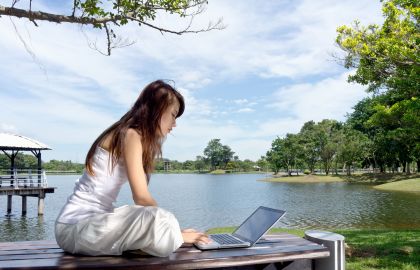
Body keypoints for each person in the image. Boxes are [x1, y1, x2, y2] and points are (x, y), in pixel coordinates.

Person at [55, 80, 210, 257]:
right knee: (161, 218)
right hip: (77, 229)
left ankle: (163, 237)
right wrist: (174, 231)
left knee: (159, 219)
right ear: (157, 110)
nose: (174, 124)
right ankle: (171, 237)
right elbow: (142, 197)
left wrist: (170, 228)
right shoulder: (131, 134)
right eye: (173, 115)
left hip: (88, 227)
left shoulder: (130, 133)